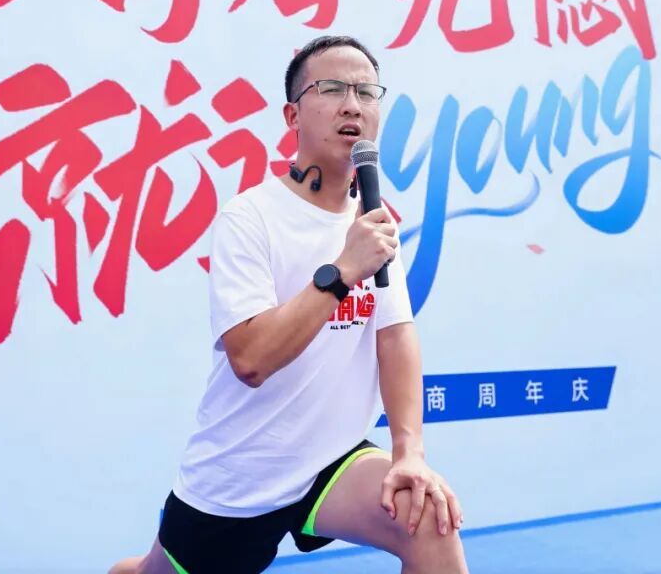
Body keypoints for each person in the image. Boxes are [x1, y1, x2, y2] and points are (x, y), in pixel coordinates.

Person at [110, 36, 470, 574]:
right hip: (240, 476)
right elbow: (251, 359)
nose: (352, 105)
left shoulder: (373, 222)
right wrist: (342, 271)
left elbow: (395, 335)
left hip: (332, 460)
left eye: (366, 92)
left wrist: (409, 452)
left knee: (428, 516)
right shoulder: (251, 217)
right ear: (292, 115)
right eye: (332, 89)